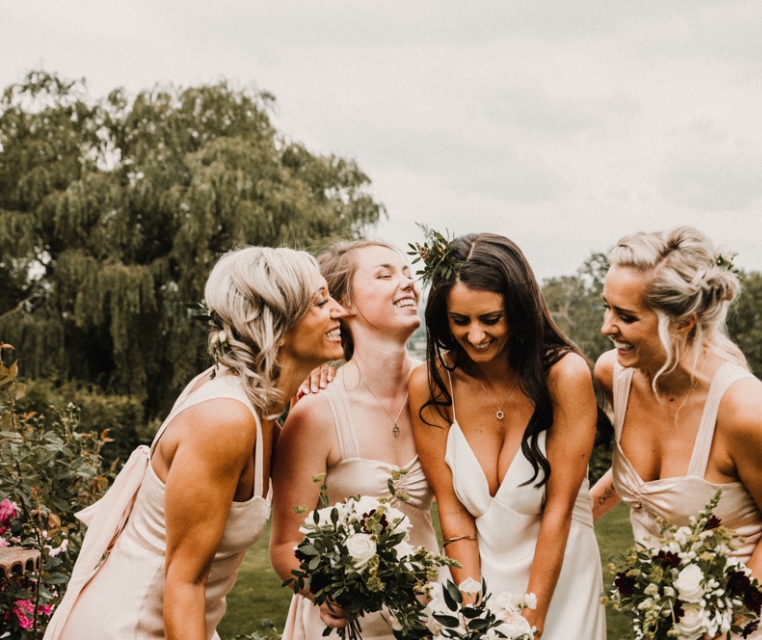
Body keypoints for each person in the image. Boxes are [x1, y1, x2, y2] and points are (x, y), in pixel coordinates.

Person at [44, 247, 345, 640]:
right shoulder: (225, 421)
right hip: (131, 626)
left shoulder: (260, 400)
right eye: (321, 301)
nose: (340, 310)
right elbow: (184, 583)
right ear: (276, 323)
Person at [589, 226, 762, 638]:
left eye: (626, 317)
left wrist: (718, 619)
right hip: (667, 617)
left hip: (750, 617)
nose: (607, 327)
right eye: (606, 307)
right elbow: (639, 481)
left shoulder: (744, 410)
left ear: (683, 322)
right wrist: (574, 518)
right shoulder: (614, 374)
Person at [409, 233, 606, 640]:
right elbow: (452, 510)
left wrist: (531, 617)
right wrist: (472, 611)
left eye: (490, 319)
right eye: (460, 320)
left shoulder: (564, 376)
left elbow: (559, 511)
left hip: (560, 577)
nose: (475, 336)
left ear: (517, 311)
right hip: (476, 576)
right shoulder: (432, 384)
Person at [270, 241, 440, 640]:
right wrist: (328, 594)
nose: (407, 284)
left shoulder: (441, 394)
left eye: (407, 273)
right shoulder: (316, 412)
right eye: (385, 275)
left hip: (432, 615)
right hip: (349, 625)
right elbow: (284, 546)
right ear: (342, 302)